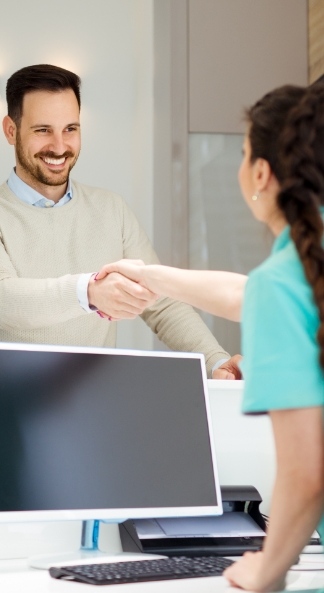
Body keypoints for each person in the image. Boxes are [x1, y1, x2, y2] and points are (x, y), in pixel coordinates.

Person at [98, 83, 324, 592]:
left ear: (261, 174)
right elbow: (247, 294)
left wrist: (267, 568)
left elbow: (307, 472)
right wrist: (151, 274)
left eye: (244, 154)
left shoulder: (285, 282)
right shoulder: (298, 274)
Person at [0, 64, 241, 378]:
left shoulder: (112, 209)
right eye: (43, 130)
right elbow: (1, 301)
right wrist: (88, 292)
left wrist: (215, 361)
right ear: (11, 130)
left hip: (93, 398)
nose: (59, 147)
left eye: (70, 129)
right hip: (5, 398)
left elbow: (162, 302)